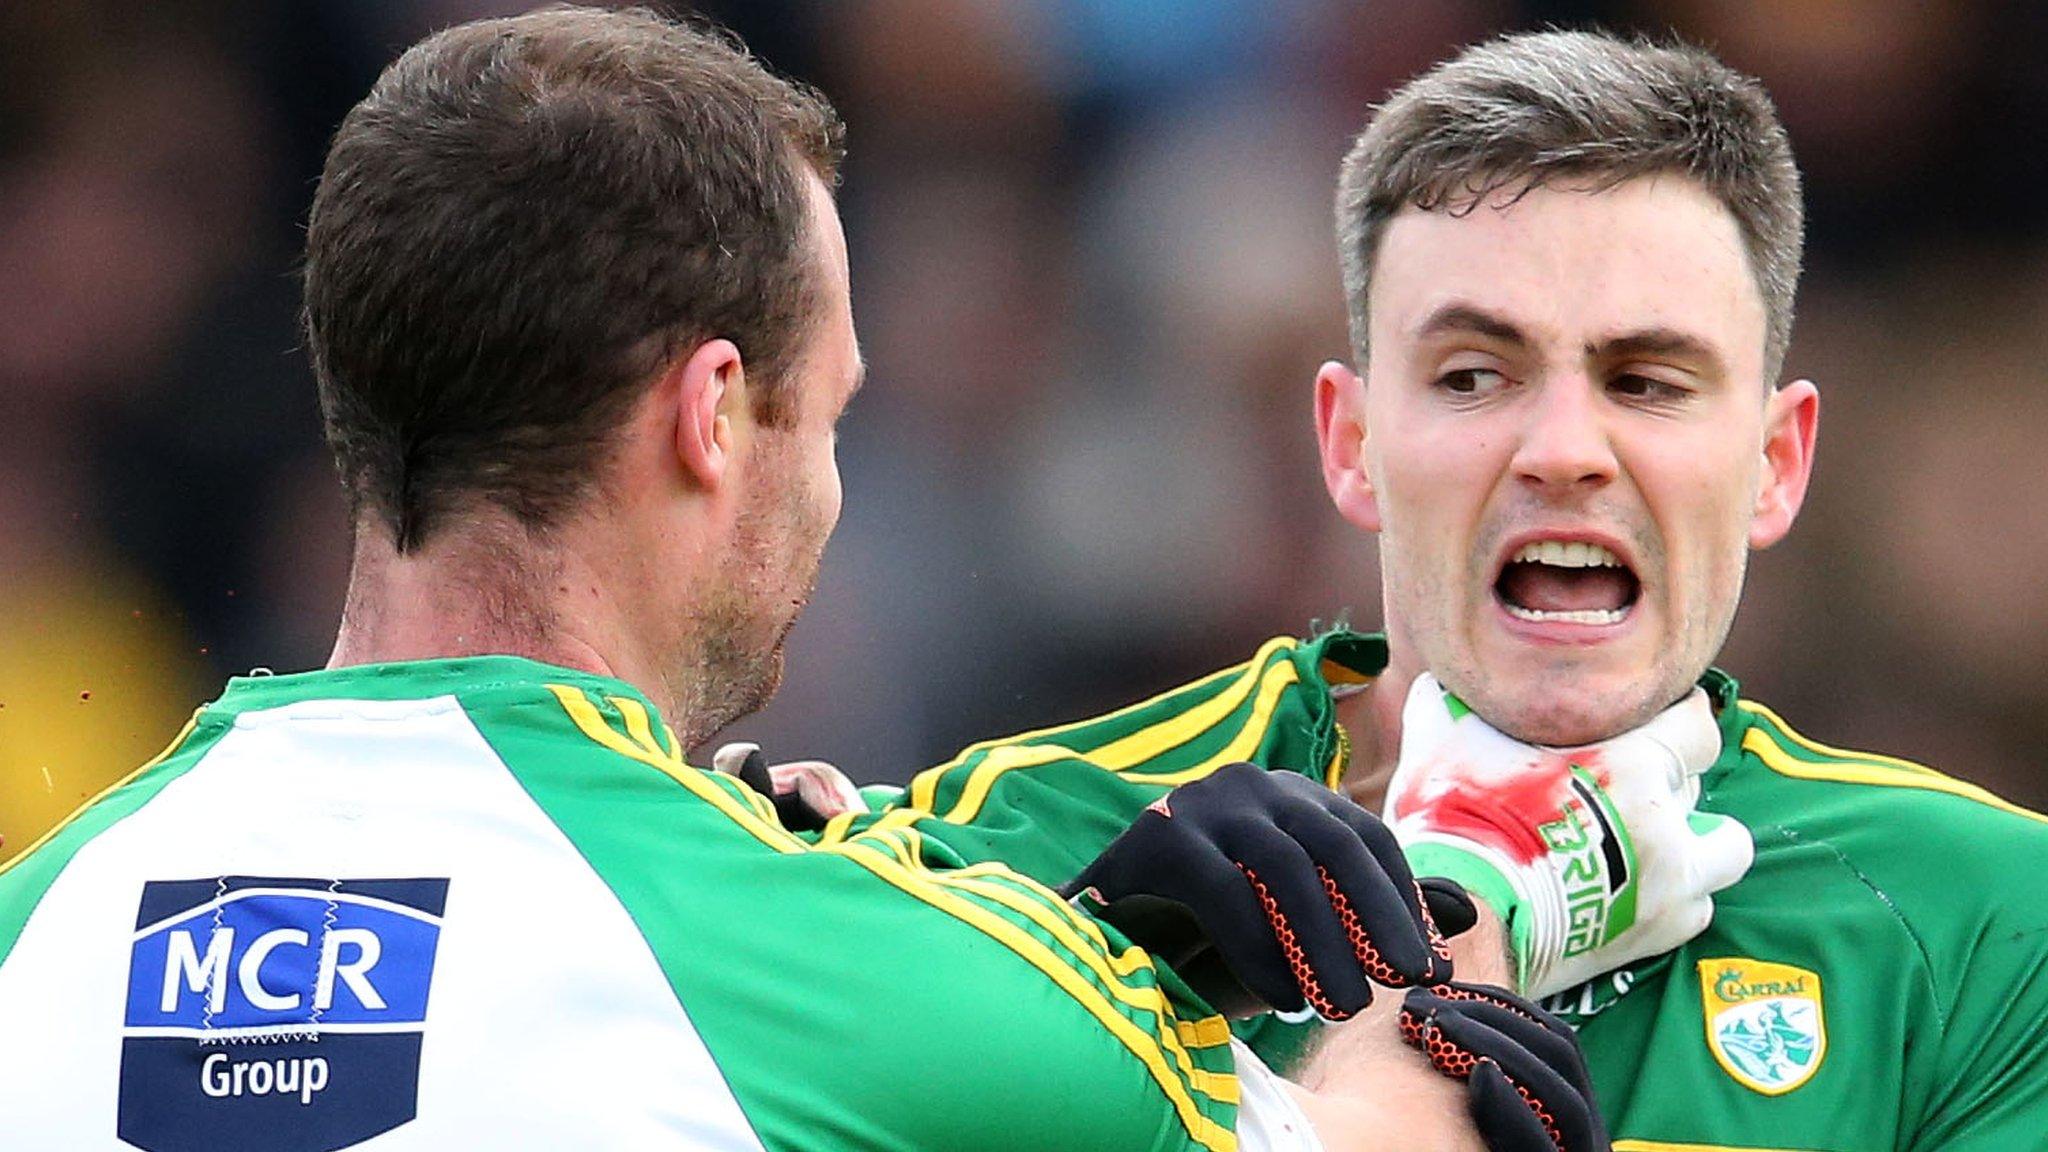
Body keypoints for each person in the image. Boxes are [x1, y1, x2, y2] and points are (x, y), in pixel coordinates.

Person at [0, 9, 1600, 1152]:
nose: (831, 489)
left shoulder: (32, 927)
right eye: (826, 413)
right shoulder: (833, 962)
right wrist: (1458, 942)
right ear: (710, 417)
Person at [795, 28, 2048, 1152]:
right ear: (1347, 444)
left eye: (1647, 381)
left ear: (1774, 465)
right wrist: (1079, 995)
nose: (1563, 447)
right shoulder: (1008, 849)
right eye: (1469, 376)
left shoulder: (1990, 925)